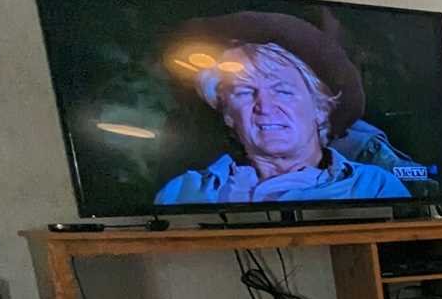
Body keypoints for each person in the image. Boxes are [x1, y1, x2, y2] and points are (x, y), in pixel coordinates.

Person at [154, 11, 414, 205]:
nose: (264, 107)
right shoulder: (181, 192)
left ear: (321, 108)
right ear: (228, 115)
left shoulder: (373, 186)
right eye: (244, 92)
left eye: (282, 90)